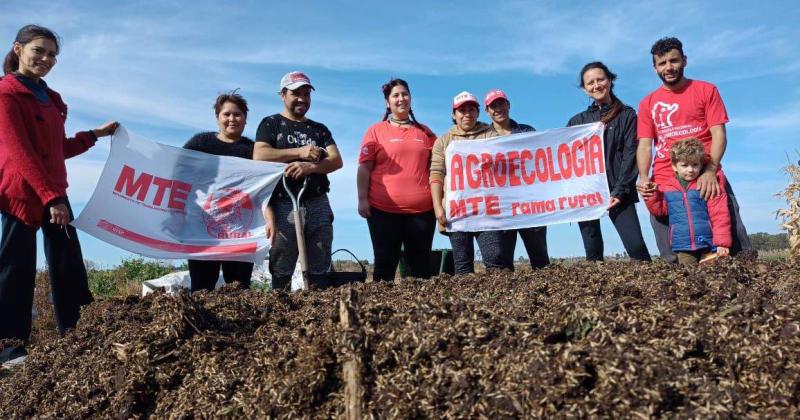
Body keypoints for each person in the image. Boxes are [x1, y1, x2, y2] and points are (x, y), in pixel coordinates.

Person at [0, 25, 118, 363]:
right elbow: (20, 151)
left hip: (54, 192)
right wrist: (51, 197)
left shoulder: (50, 100)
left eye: (52, 54)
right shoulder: (6, 94)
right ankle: (9, 347)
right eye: (39, 50)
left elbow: (55, 149)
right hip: (21, 193)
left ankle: (79, 333)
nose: (46, 59)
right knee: (15, 267)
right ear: (18, 49)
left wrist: (94, 135)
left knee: (68, 265)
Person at [636, 37, 751, 262]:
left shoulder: (706, 90)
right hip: (665, 179)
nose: (668, 67)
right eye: (662, 63)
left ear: (684, 61)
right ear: (655, 67)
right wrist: (643, 178)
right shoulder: (648, 103)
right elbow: (644, 145)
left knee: (731, 240)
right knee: (673, 255)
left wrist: (710, 170)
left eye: (673, 60)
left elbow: (719, 134)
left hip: (705, 173)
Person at [253, 71, 342, 290]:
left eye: (306, 94)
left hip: (317, 199)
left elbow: (336, 160)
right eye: (296, 94)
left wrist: (311, 167)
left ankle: (319, 305)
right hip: (284, 201)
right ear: (283, 95)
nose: (302, 99)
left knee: (320, 256)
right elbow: (260, 155)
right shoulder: (271, 124)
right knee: (282, 259)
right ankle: (281, 307)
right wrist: (300, 152)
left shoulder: (319, 129)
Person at [183, 91, 271, 292]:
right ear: (217, 118)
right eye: (226, 114)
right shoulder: (200, 144)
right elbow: (179, 170)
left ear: (245, 119)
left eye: (238, 114)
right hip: (203, 230)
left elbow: (263, 187)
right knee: (201, 286)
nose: (232, 119)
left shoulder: (253, 150)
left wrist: (269, 216)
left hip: (241, 230)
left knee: (238, 287)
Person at [567, 62, 651, 262]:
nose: (596, 85)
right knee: (592, 251)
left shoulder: (627, 115)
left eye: (600, 79)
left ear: (610, 80)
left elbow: (631, 154)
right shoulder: (576, 122)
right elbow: (562, 155)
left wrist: (620, 191)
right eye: (590, 83)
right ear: (584, 88)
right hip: (586, 193)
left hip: (619, 192)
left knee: (636, 247)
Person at [357, 79, 437, 281]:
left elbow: (438, 168)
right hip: (382, 211)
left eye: (405, 94)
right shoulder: (375, 131)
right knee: (384, 267)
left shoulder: (426, 133)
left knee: (421, 269)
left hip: (422, 212)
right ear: (387, 102)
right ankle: (378, 312)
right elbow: (364, 168)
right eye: (396, 95)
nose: (401, 98)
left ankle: (425, 312)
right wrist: (362, 199)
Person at [430, 91, 513, 275]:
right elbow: (436, 173)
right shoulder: (443, 141)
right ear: (454, 114)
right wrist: (438, 207)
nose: (467, 114)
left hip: (487, 210)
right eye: (462, 110)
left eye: (471, 109)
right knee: (462, 265)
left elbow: (504, 168)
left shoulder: (491, 135)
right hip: (456, 212)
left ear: (477, 112)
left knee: (495, 260)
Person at [484, 89, 550, 269]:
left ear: (508, 105)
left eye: (501, 104)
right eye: (493, 106)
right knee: (503, 262)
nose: (498, 109)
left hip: (530, 205)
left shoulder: (528, 131)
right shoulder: (481, 138)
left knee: (540, 259)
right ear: (487, 111)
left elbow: (542, 162)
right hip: (500, 207)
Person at [643, 138, 731, 264]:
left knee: (714, 276)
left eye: (695, 165)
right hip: (683, 245)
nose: (690, 170)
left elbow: (720, 215)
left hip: (709, 243)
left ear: (701, 164)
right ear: (674, 166)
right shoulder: (666, 188)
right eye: (684, 165)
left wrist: (722, 243)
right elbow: (659, 211)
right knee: (689, 277)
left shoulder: (707, 185)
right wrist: (653, 195)